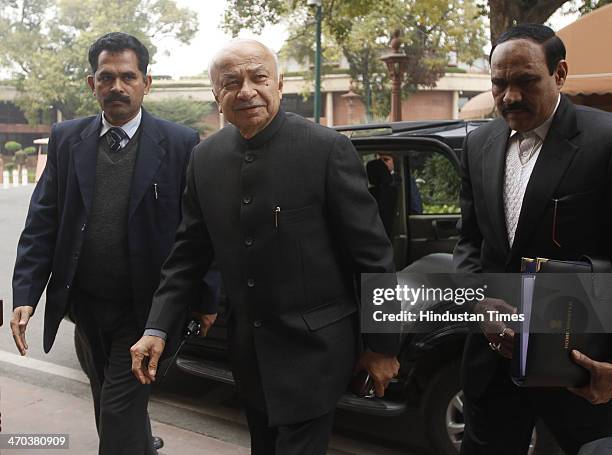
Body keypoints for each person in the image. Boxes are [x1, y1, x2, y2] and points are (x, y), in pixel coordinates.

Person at [130, 38, 400, 455]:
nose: (246, 91)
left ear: (279, 84)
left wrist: (382, 347)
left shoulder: (326, 150)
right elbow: (187, 256)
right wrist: (156, 328)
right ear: (216, 95)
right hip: (249, 355)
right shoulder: (204, 160)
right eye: (231, 82)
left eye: (259, 78)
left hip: (316, 353)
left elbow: (373, 257)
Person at [10, 32, 200, 455]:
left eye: (128, 76)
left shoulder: (180, 144)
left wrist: (205, 298)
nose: (117, 86)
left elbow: (196, 231)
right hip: (86, 309)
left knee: (116, 414)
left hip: (145, 311)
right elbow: (43, 220)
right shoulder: (67, 139)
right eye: (106, 76)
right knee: (107, 402)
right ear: (90, 83)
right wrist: (26, 293)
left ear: (146, 83)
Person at [454, 24, 612, 454]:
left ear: (559, 74)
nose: (510, 97)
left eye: (526, 81)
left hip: (581, 365)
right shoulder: (478, 145)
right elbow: (470, 241)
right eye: (499, 84)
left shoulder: (605, 140)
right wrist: (477, 302)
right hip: (492, 366)